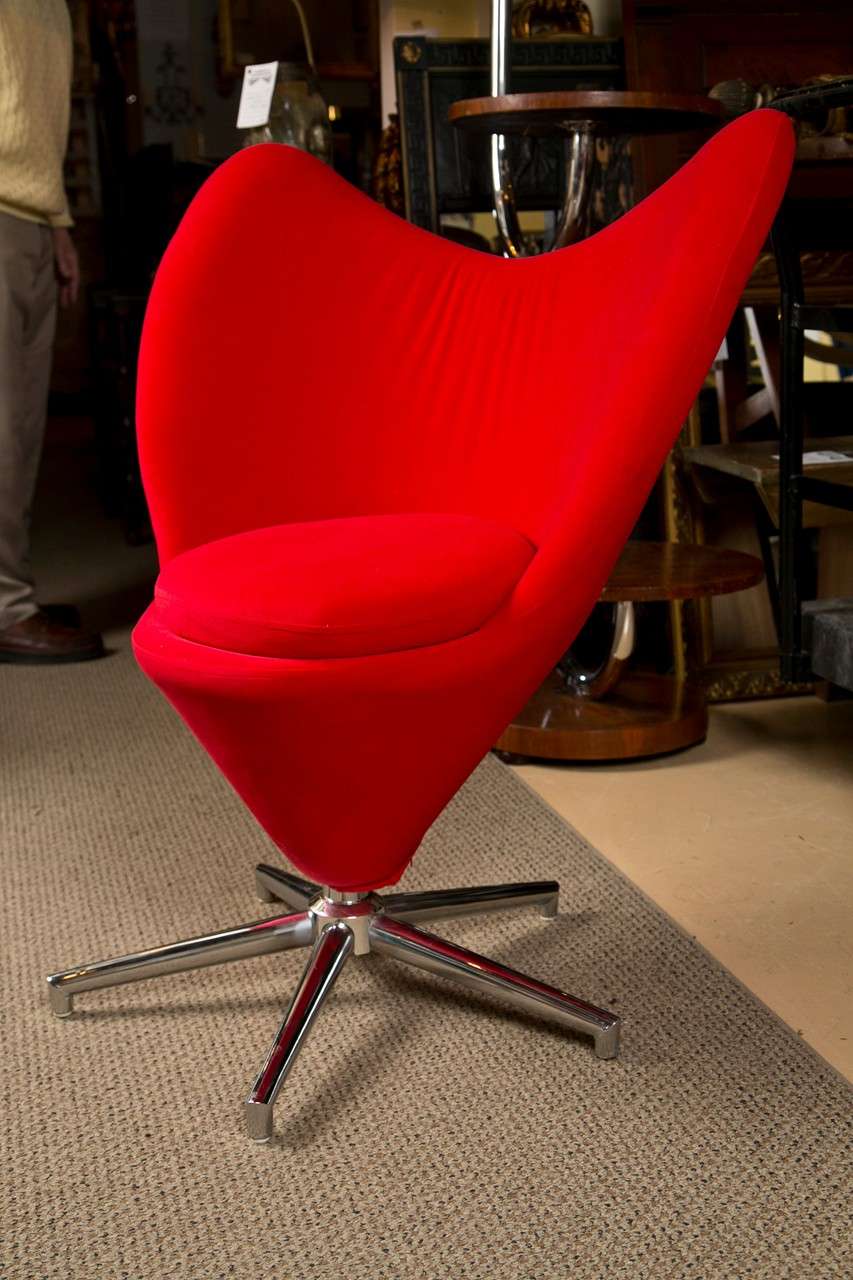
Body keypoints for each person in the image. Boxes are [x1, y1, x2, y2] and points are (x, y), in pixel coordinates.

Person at [0, 0, 103, 662]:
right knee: (1, 427)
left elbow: (32, 112)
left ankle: (9, 590)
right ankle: (5, 606)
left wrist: (58, 219)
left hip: (29, 210)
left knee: (21, 428)